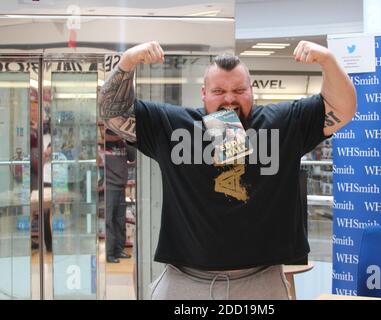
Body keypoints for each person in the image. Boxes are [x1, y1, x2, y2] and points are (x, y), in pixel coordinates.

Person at [99, 41, 356, 299]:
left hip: (260, 283)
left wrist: (328, 60)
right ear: (203, 93)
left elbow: (342, 109)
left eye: (239, 89)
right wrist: (128, 62)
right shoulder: (174, 126)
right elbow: (113, 113)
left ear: (252, 91)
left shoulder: (283, 122)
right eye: (219, 90)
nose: (229, 98)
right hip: (185, 283)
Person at [103, 128, 136, 263]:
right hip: (109, 187)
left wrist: (128, 140)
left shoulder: (123, 143)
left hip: (121, 186)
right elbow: (106, 137)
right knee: (109, 221)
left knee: (120, 220)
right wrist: (122, 134)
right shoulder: (107, 140)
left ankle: (118, 250)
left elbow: (132, 156)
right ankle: (109, 254)